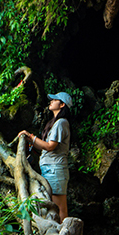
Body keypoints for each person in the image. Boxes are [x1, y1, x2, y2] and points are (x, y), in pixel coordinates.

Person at [19, 92, 72, 221]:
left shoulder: (61, 123)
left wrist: (31, 137)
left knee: (60, 208)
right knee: (53, 206)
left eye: (55, 100)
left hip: (55, 169)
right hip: (50, 169)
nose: (51, 101)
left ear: (62, 104)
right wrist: (31, 140)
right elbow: (44, 146)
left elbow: (49, 146)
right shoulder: (55, 123)